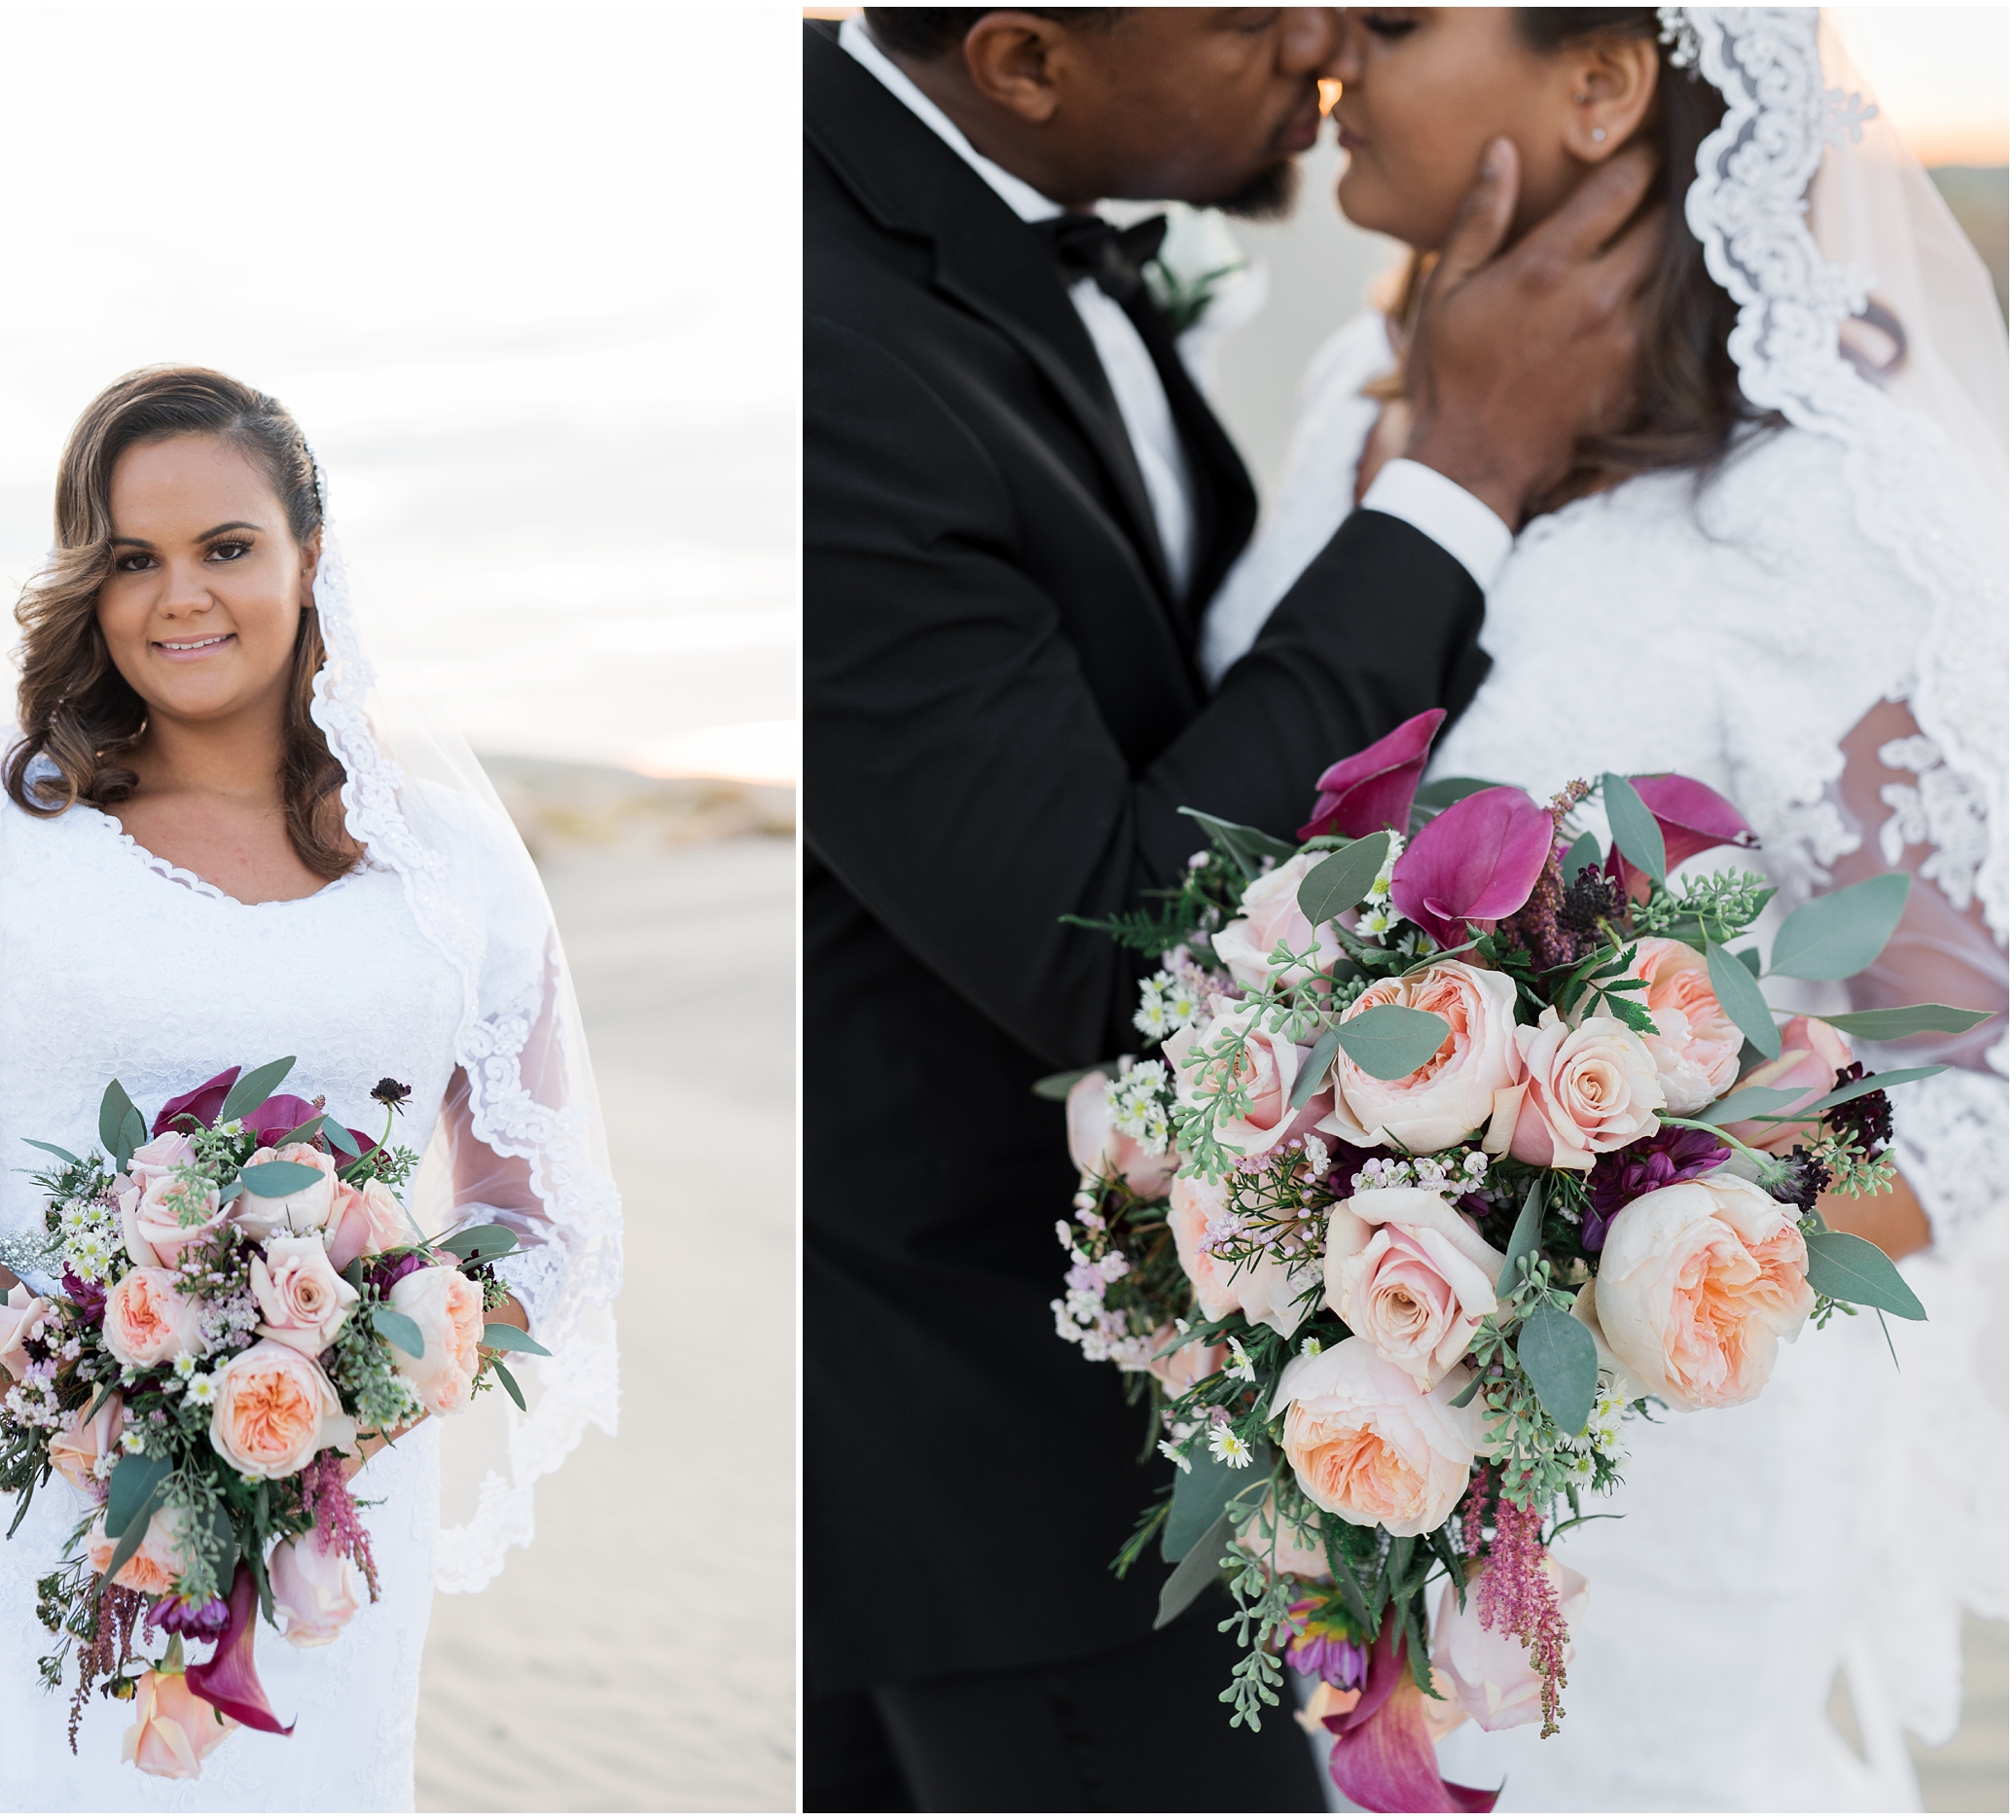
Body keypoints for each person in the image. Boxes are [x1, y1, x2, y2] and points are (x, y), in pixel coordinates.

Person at [802, 8, 1663, 1807]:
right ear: (1026, 61)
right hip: (980, 1474)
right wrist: (1465, 473)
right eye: (1250, 7)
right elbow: (1104, 937)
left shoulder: (1008, 223)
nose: (1329, 28)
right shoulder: (821, 342)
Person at [1202, 9, 2006, 1807]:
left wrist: (1575, 1234)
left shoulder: (1816, 511)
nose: (1332, 48)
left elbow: (1970, 1073)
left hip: (1662, 1484)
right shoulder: (1356, 401)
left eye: (1398, 21)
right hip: (1349, 1447)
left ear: (1600, 84)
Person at [0, 368, 623, 1810]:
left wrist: (337, 1400)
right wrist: (108, 1404)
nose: (180, 597)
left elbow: (534, 1214)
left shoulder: (447, 861)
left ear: (310, 556)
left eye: (226, 547)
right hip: (48, 1525)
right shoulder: (4, 828)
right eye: (132, 559)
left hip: (334, 1543)